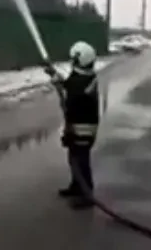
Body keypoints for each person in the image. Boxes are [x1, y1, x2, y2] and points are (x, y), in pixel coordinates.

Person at [46, 41, 100, 209]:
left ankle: (87, 194)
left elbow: (74, 90)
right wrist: (55, 75)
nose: (72, 62)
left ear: (80, 60)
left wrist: (57, 82)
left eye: (74, 59)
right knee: (74, 157)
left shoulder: (85, 80)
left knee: (81, 160)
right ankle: (77, 186)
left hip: (83, 128)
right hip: (78, 124)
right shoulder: (84, 76)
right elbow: (70, 85)